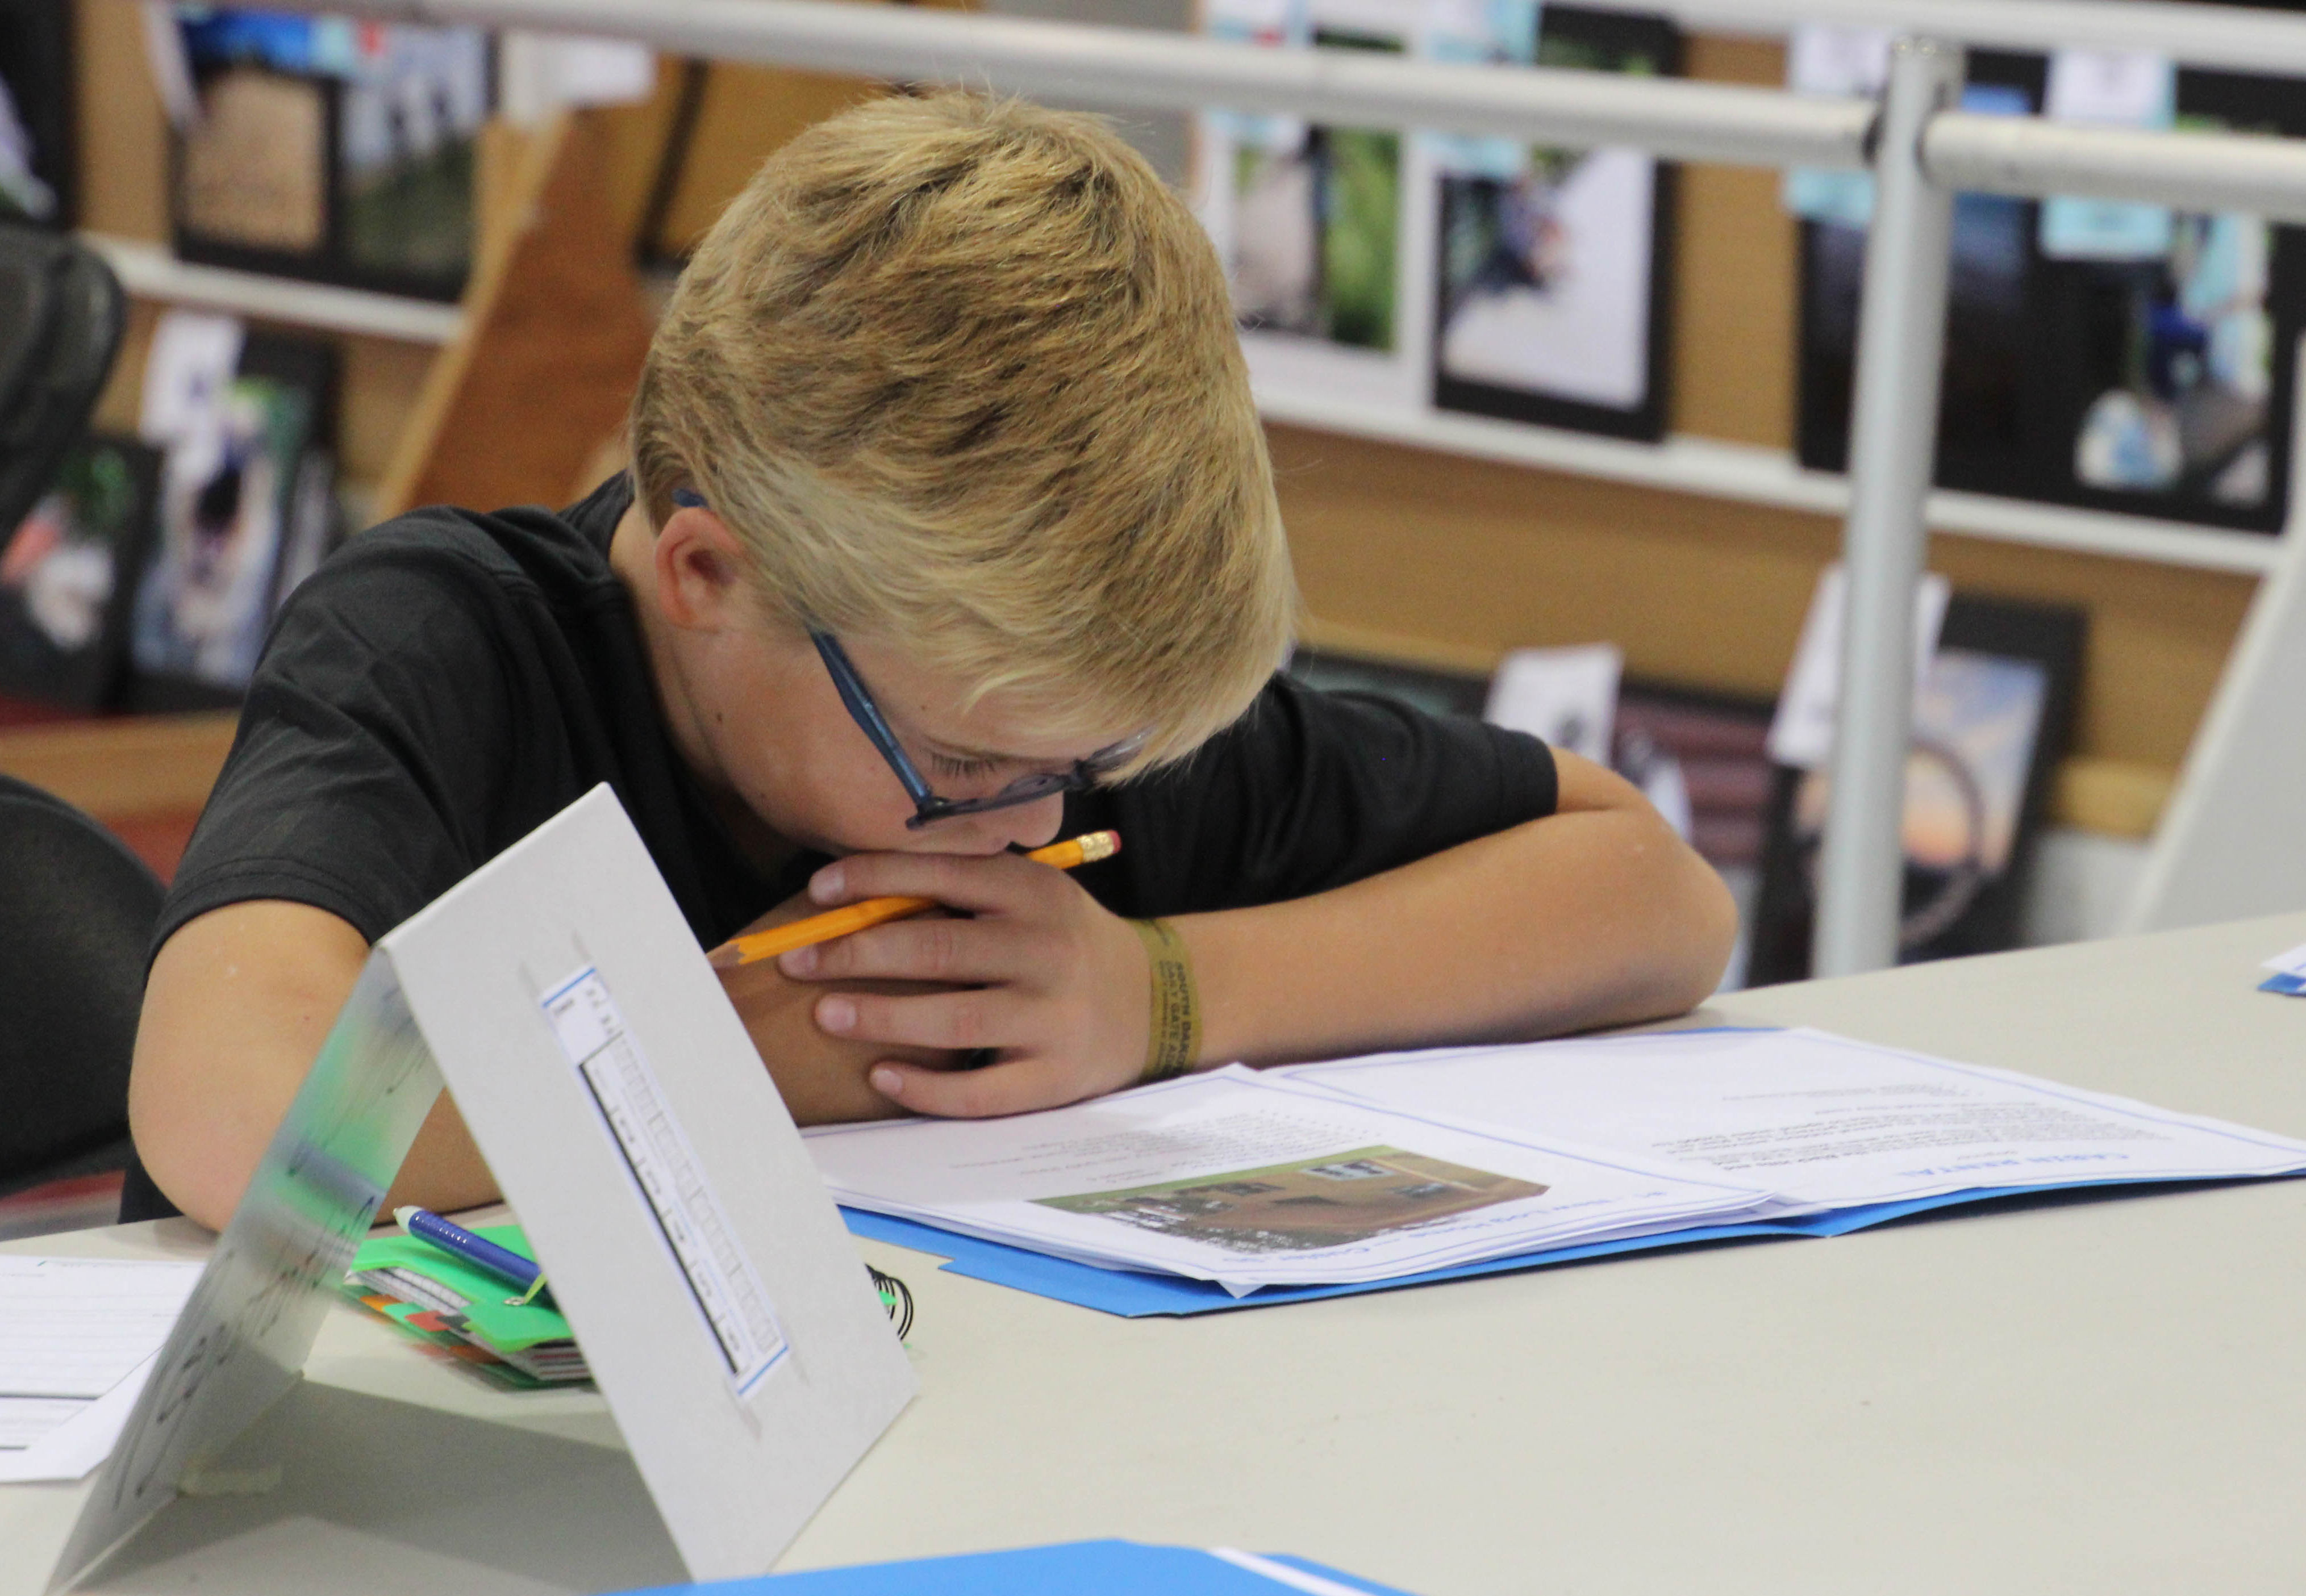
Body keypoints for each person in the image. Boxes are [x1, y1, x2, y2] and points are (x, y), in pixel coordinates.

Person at [127, 92, 1734, 1231]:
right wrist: (755, 1061)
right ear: (708, 572)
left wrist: (1153, 995)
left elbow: (1654, 894)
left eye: (1080, 778)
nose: (1034, 833)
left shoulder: (1036, 726)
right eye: (963, 771)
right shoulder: (447, 645)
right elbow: (237, 1113)